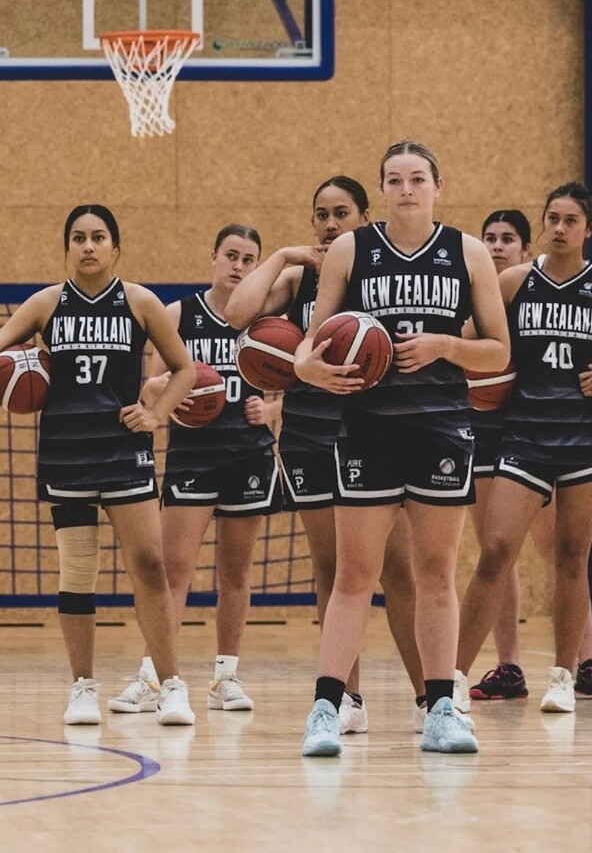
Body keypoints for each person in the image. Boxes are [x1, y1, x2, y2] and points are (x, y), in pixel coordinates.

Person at [294, 141, 510, 756]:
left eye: (418, 178)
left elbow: (499, 351)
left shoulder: (467, 252)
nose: (407, 189)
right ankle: (326, 711)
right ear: (381, 190)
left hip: (442, 426)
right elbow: (308, 352)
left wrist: (447, 346)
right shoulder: (350, 249)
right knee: (353, 574)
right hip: (367, 426)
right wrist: (315, 374)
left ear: (439, 185)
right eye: (395, 180)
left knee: (435, 573)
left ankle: (441, 707)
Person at [226, 176, 426, 735]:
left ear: (365, 217)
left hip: (374, 428)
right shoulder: (297, 277)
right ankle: (349, 700)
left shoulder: (383, 269)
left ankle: (426, 697)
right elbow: (236, 313)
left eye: (341, 213)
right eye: (320, 215)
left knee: (400, 569)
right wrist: (287, 255)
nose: (329, 224)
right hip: (310, 432)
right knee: (333, 569)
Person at [455, 183, 592, 714]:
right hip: (524, 434)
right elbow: (473, 339)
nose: (559, 227)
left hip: (587, 437)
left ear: (589, 229)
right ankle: (450, 682)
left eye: (571, 220)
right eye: (552, 218)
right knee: (496, 551)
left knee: (572, 558)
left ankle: (564, 678)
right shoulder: (514, 281)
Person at [0, 205, 196, 725]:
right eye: (79, 238)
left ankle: (171, 684)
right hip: (66, 454)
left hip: (123, 453)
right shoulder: (44, 305)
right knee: (78, 572)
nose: (88, 246)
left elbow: (184, 369)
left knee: (151, 566)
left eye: (99, 237)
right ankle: (82, 687)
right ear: (67, 248)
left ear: (116, 248)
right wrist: (16, 373)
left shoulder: (140, 301)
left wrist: (155, 413)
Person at [109, 224, 311, 715]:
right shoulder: (180, 314)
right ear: (213, 257)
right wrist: (178, 401)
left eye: (249, 258)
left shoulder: (266, 318)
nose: (239, 266)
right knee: (173, 570)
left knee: (236, 572)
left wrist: (274, 411)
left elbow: (302, 379)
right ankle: (154, 677)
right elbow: (153, 385)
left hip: (250, 453)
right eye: (231, 256)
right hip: (193, 453)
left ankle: (226, 678)